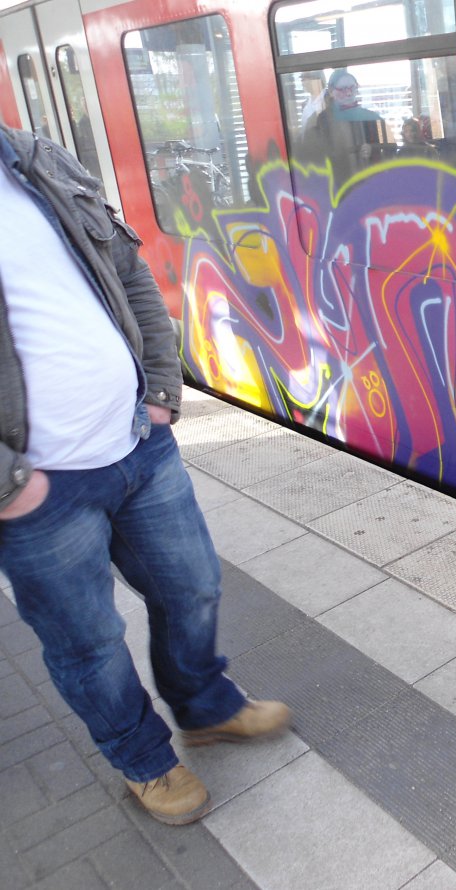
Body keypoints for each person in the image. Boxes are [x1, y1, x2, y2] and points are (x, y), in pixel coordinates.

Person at [0, 124, 291, 826]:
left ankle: (206, 707)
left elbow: (128, 271)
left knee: (193, 586)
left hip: (137, 443)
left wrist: (161, 390)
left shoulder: (36, 162)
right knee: (88, 641)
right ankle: (145, 761)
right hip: (35, 492)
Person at [303, 68, 385, 176]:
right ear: (331, 92)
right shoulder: (321, 120)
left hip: (368, 178)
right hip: (336, 181)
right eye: (342, 89)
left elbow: (389, 149)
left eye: (352, 87)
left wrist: (372, 149)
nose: (349, 93)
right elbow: (313, 154)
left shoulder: (371, 117)